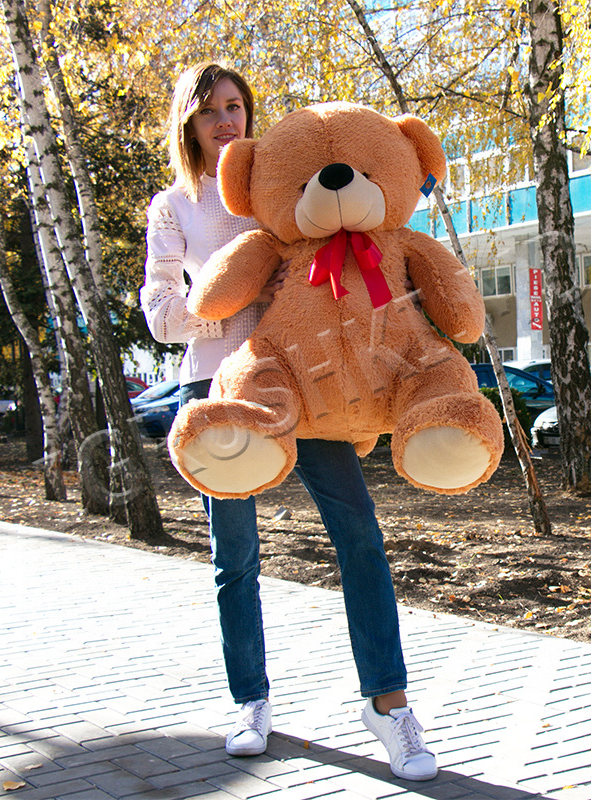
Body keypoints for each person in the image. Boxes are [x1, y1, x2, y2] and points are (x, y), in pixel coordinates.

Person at [140, 61, 437, 782]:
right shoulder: (173, 207)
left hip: (306, 386)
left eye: (236, 106)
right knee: (234, 556)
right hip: (217, 387)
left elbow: (370, 223)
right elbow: (158, 313)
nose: (226, 121)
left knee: (360, 535)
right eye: (210, 110)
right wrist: (236, 300)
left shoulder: (280, 177)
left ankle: (389, 705)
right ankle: (251, 700)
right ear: (189, 122)